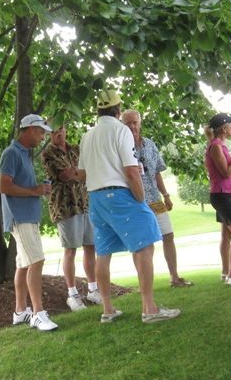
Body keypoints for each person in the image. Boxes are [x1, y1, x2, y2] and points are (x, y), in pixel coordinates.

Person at [77, 89, 180, 324]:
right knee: (145, 246)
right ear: (118, 110)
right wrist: (140, 199)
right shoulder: (121, 130)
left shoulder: (87, 136)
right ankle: (149, 309)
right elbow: (131, 171)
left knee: (103, 253)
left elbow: (82, 174)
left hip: (96, 198)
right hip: (120, 195)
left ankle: (108, 310)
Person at [0, 114, 59, 331]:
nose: (43, 137)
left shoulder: (24, 154)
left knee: (23, 264)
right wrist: (34, 190)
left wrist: (38, 190)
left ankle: (20, 312)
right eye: (41, 132)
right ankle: (38, 314)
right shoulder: (11, 153)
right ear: (31, 129)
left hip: (27, 216)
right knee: (36, 260)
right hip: (20, 216)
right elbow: (3, 186)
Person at [121, 109, 193, 288]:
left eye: (135, 122)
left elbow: (157, 172)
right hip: (135, 200)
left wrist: (166, 195)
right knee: (141, 244)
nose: (132, 126)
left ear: (140, 123)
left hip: (155, 198)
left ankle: (174, 277)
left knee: (168, 235)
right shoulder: (121, 147)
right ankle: (144, 283)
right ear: (122, 126)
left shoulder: (150, 144)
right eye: (128, 123)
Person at [41, 124, 101, 311]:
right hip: (65, 207)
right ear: (49, 133)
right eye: (53, 130)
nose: (58, 133)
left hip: (85, 204)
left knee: (90, 246)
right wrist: (80, 172)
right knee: (70, 250)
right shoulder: (48, 154)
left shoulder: (76, 149)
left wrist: (79, 172)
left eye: (60, 129)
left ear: (65, 130)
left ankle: (93, 289)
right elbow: (66, 175)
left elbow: (90, 170)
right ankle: (72, 294)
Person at [203, 113, 231, 286]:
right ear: (224, 128)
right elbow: (226, 172)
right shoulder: (216, 146)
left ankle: (225, 272)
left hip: (225, 194)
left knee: (226, 235)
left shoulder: (219, 146)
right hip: (222, 195)